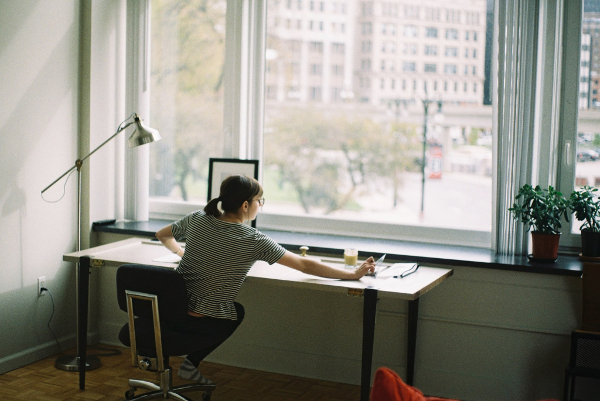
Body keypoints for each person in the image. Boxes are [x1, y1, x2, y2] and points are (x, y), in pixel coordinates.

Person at [155, 174, 376, 385]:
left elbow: (162, 235)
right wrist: (352, 274)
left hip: (170, 311)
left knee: (230, 309)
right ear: (244, 205)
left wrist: (181, 253)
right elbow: (303, 264)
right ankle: (191, 363)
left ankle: (189, 365)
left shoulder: (197, 218)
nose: (260, 205)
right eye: (259, 201)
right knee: (235, 312)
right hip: (201, 321)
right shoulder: (253, 240)